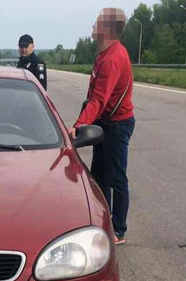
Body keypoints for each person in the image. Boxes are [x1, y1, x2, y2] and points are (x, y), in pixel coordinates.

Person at [68, 8, 135, 245]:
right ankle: (103, 221)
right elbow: (93, 97)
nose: (93, 27)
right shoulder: (103, 54)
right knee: (99, 177)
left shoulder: (114, 59)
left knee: (116, 177)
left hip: (118, 125)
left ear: (107, 29)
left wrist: (79, 125)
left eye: (97, 24)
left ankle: (118, 230)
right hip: (104, 123)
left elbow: (99, 99)